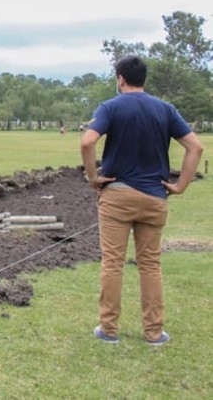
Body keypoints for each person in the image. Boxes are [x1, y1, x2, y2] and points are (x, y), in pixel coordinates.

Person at [80, 55, 203, 346]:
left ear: (120, 79)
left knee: (113, 262)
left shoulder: (110, 106)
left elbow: (87, 141)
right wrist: (181, 185)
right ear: (144, 79)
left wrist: (92, 177)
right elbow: (194, 147)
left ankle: (109, 329)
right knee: (150, 264)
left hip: (117, 195)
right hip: (154, 196)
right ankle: (154, 333)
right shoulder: (165, 109)